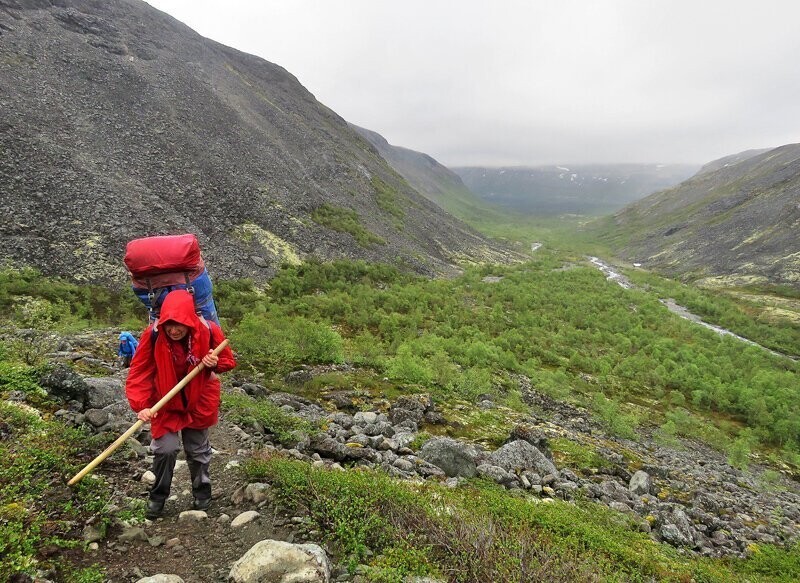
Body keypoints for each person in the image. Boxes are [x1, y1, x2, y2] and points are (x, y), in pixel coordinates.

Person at [125, 289, 236, 519]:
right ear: (162, 321)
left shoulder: (208, 330)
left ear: (189, 321)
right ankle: (158, 496)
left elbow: (227, 361)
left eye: (179, 325)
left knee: (197, 450)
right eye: (169, 324)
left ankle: (202, 492)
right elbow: (140, 371)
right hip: (164, 404)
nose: (173, 330)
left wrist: (213, 362)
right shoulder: (153, 335)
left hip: (199, 400)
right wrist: (141, 405)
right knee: (165, 450)